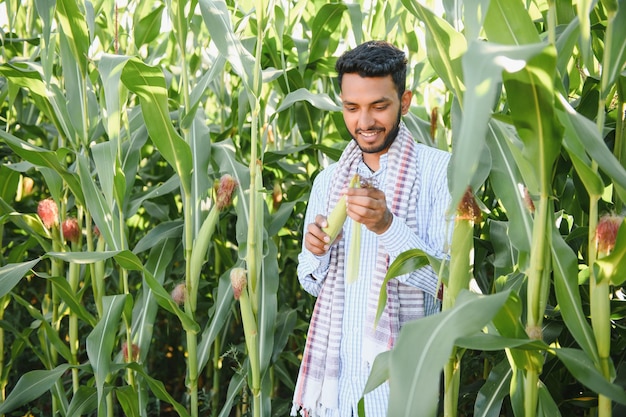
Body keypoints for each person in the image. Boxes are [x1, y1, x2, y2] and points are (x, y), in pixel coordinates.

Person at [291, 40, 452, 417]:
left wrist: (387, 226)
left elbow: (450, 285)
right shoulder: (328, 181)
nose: (364, 122)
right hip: (335, 384)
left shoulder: (439, 173)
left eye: (379, 106)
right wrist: (316, 253)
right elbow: (309, 280)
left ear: (405, 101)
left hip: (400, 386)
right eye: (352, 108)